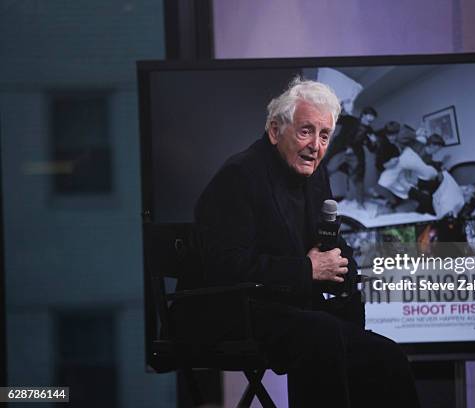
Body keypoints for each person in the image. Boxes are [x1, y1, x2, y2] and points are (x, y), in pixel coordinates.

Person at [171, 77, 420, 408]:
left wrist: (342, 268)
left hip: (286, 309)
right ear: (275, 131)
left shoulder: (315, 175)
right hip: (228, 312)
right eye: (306, 131)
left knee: (388, 357)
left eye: (324, 136)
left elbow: (329, 242)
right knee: (322, 335)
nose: (315, 145)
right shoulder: (239, 176)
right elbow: (226, 267)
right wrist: (308, 269)